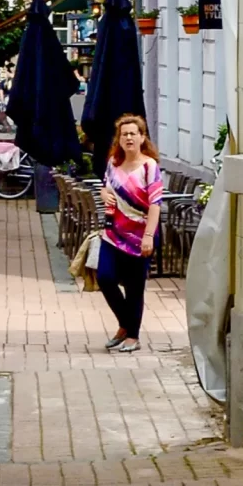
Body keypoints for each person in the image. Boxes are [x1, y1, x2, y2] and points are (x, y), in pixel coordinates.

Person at [94, 112, 165, 353]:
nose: (129, 138)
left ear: (142, 137)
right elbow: (106, 187)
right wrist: (104, 194)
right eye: (124, 134)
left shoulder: (149, 166)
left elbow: (156, 203)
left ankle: (132, 336)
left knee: (134, 287)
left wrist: (148, 235)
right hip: (113, 233)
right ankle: (126, 324)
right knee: (104, 277)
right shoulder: (113, 163)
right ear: (119, 139)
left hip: (140, 236)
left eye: (133, 134)